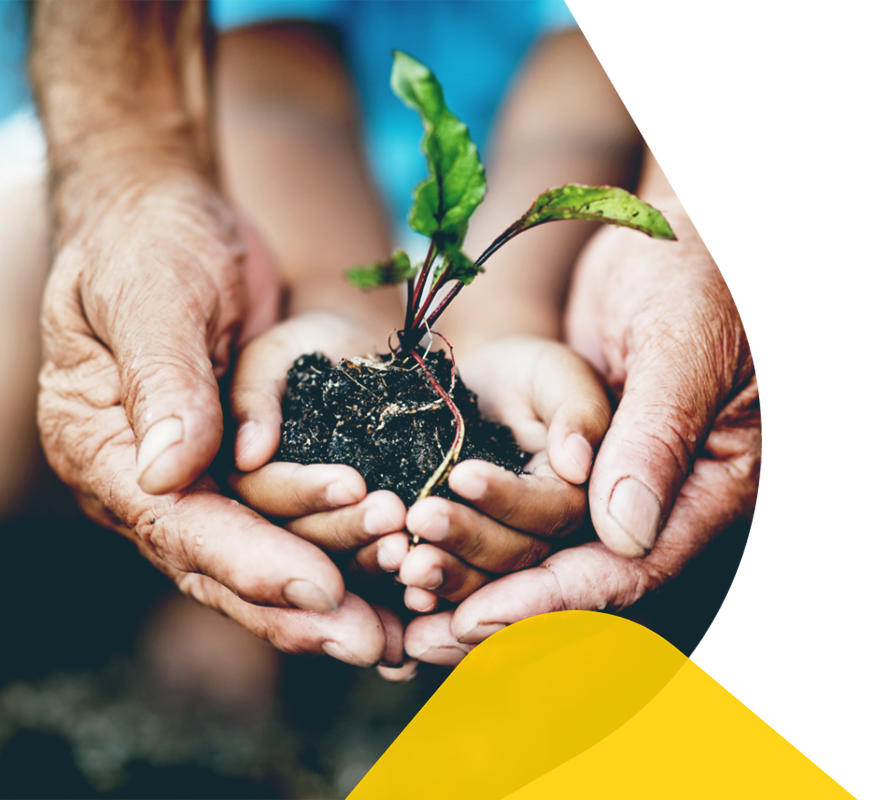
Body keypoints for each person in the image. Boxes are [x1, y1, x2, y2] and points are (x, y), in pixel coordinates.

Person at [23, 1, 759, 675]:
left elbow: (603, 72)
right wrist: (324, 290)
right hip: (254, 186)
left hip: (608, 185)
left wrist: (508, 312)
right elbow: (267, 62)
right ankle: (208, 592)